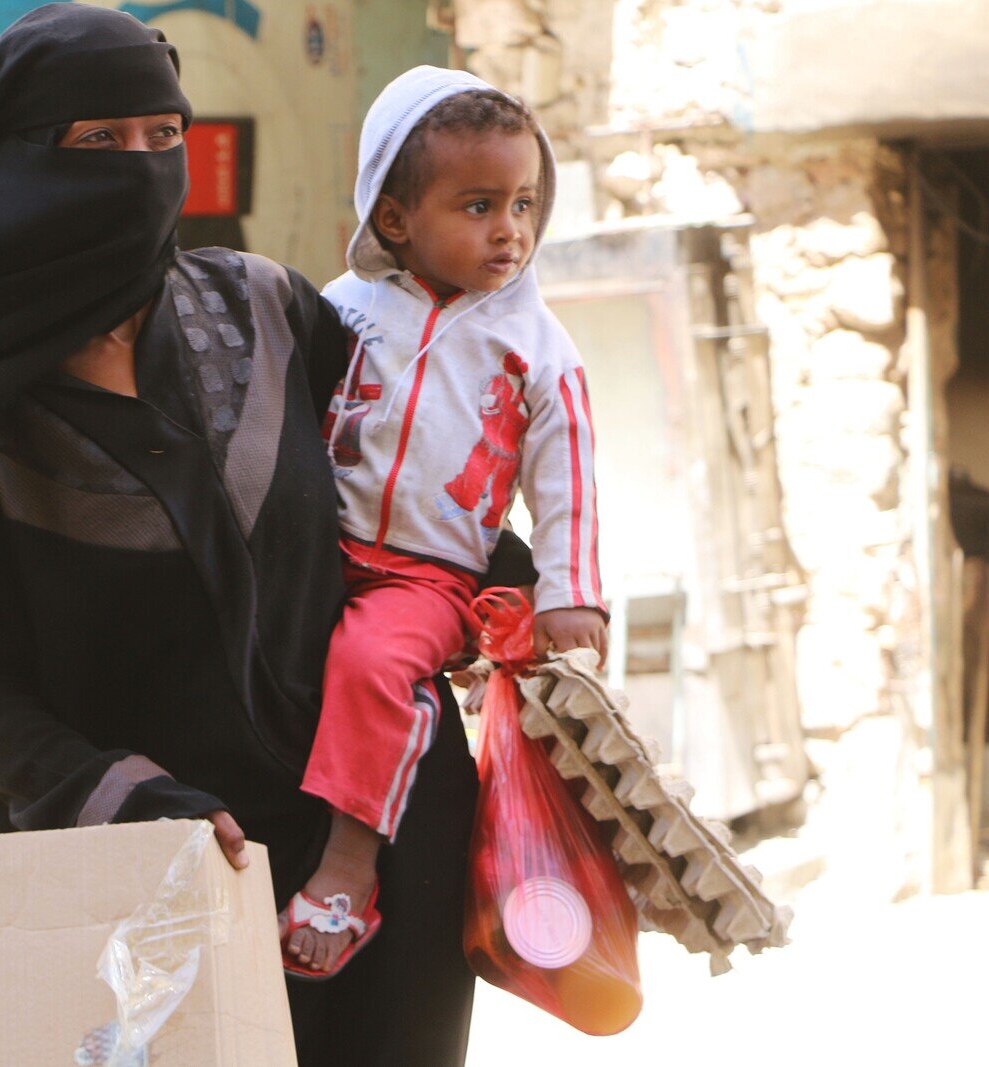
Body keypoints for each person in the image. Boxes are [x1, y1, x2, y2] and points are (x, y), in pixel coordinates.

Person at [0, 7, 527, 1065]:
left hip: (381, 839)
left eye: (164, 134)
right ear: (9, 165)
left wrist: (511, 588)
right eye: (98, 140)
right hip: (146, 885)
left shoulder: (271, 310)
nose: (142, 165)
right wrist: (130, 799)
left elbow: (409, 492)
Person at [283, 67, 609, 977]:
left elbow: (567, 475)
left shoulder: (537, 348)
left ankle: (347, 870)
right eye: (478, 205)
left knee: (373, 665)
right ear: (395, 218)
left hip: (425, 575)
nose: (510, 230)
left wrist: (570, 594)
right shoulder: (337, 313)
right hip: (311, 548)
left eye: (524, 203)